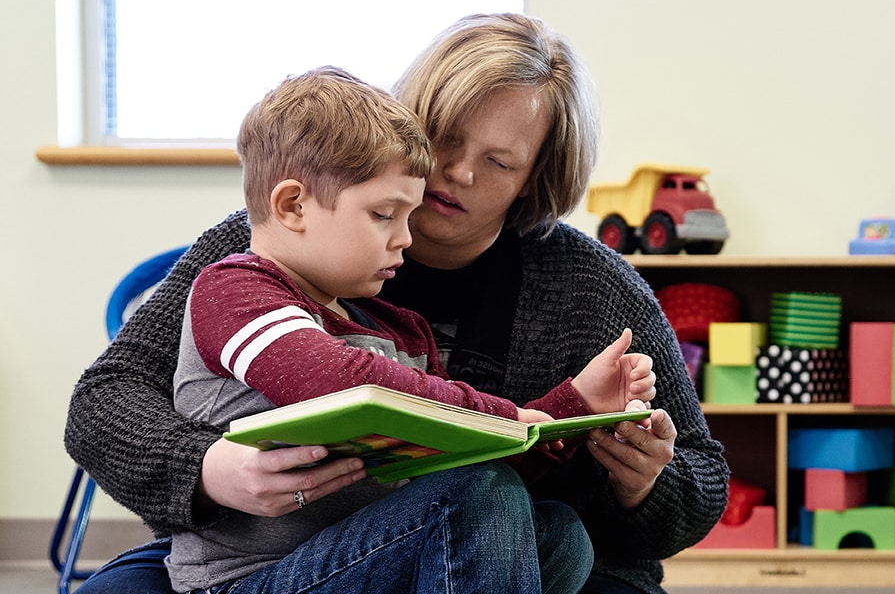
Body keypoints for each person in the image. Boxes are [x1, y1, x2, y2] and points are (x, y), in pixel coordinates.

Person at [65, 13, 729, 594]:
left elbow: (701, 480)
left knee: (544, 526)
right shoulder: (263, 252)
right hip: (274, 551)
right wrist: (206, 470)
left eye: (498, 162)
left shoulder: (595, 288)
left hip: (493, 535)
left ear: (536, 180)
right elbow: (103, 401)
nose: (457, 173)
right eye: (444, 138)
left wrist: (642, 481)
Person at [164, 65, 657, 593]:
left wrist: (575, 405)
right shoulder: (234, 290)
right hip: (252, 580)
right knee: (473, 492)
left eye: (409, 215)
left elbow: (476, 459)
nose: (405, 238)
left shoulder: (399, 331)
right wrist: (504, 412)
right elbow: (339, 379)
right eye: (384, 215)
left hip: (374, 558)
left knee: (557, 531)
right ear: (293, 205)